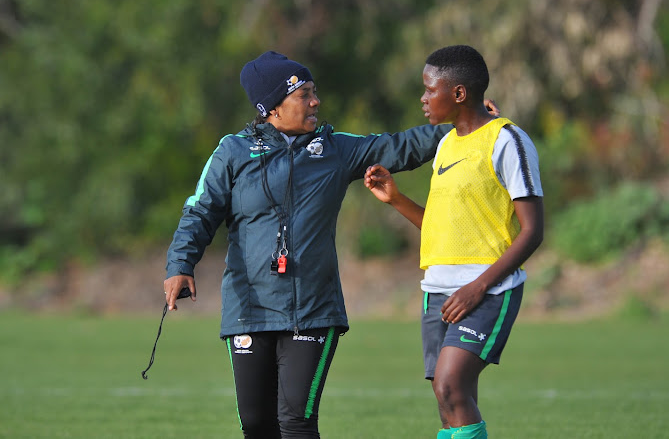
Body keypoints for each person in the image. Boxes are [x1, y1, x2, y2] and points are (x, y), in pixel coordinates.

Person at [162, 51, 455, 438]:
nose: (316, 101)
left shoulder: (335, 148)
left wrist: (467, 127)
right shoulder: (232, 152)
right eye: (305, 94)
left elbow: (400, 146)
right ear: (273, 107)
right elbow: (199, 212)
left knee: (297, 421)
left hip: (313, 310)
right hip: (249, 308)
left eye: (315, 92)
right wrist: (180, 265)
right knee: (255, 423)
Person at [364, 45, 545, 439]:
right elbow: (440, 229)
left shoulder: (507, 140)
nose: (424, 98)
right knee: (447, 401)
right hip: (438, 292)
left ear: (459, 93)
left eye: (431, 90)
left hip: (486, 289)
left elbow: (533, 231)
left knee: (450, 384)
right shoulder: (445, 145)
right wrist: (396, 199)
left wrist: (478, 287)